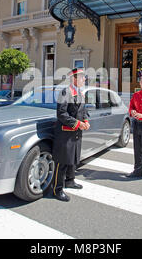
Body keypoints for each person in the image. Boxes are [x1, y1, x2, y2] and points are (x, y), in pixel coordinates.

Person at [52, 68, 90, 202]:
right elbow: (61, 114)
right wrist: (78, 123)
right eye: (82, 77)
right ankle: (57, 189)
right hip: (65, 133)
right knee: (62, 162)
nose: (84, 79)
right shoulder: (65, 92)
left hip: (76, 132)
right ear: (74, 79)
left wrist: (85, 121)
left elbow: (83, 111)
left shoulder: (80, 92)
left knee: (73, 159)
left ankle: (70, 181)